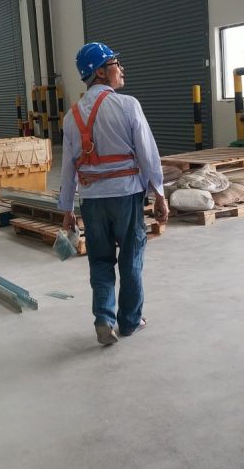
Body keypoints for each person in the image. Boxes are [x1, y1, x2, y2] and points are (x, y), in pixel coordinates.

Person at [58, 42, 169, 346]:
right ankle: (130, 322)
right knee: (131, 258)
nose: (121, 69)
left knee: (100, 261)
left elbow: (67, 167)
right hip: (126, 196)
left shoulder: (71, 117)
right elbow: (148, 154)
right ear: (101, 72)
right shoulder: (128, 105)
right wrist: (159, 193)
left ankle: (104, 319)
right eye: (115, 63)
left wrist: (67, 209)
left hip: (92, 201)